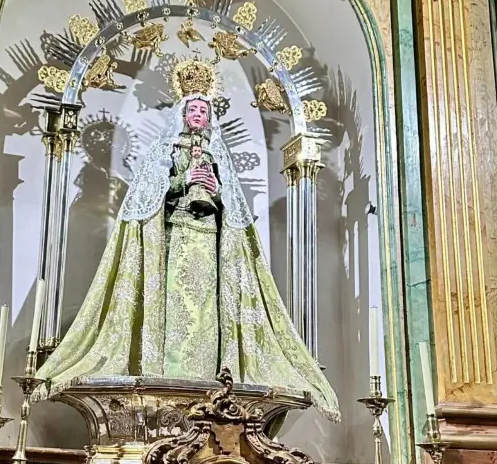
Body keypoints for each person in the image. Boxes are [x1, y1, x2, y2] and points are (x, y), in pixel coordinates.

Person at [36, 59, 339, 421]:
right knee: (175, 310)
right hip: (176, 239)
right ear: (181, 112)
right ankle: (170, 379)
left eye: (203, 110)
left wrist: (217, 188)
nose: (198, 114)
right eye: (192, 108)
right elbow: (149, 198)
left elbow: (235, 211)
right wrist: (182, 181)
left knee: (208, 313)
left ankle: (212, 382)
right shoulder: (165, 151)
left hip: (210, 243)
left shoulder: (218, 155)